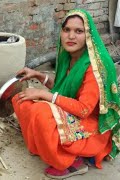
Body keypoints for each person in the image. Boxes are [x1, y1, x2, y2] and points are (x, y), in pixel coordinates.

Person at [11, 9, 120, 179]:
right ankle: (43, 147)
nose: (71, 36)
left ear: (88, 35)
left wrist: (44, 95)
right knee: (21, 99)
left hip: (92, 123)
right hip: (72, 109)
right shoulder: (68, 56)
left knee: (41, 112)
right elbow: (64, 87)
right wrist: (39, 75)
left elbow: (84, 109)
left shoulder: (95, 67)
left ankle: (71, 162)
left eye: (79, 31)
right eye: (66, 30)